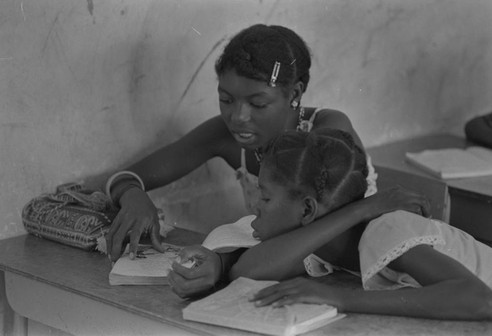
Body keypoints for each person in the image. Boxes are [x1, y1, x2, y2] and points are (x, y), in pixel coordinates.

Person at [105, 23, 381, 262]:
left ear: (294, 93)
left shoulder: (328, 131)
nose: (238, 117)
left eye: (257, 103)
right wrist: (134, 197)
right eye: (226, 99)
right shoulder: (225, 134)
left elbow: (325, 233)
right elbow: (126, 177)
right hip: (282, 263)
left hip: (357, 261)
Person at [243, 128, 492, 321]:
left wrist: (338, 298)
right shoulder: (325, 246)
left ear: (308, 209)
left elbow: (479, 299)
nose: (255, 205)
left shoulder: (385, 230)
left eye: (265, 197)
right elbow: (248, 271)